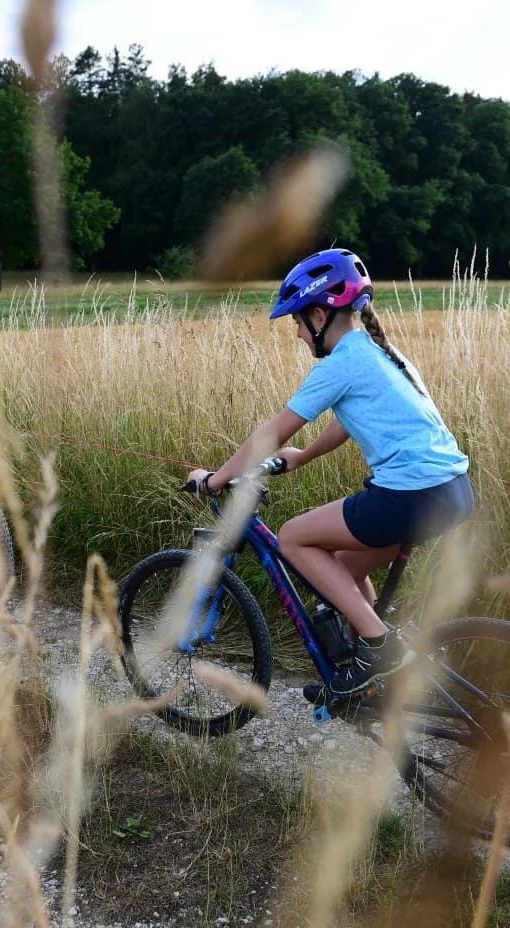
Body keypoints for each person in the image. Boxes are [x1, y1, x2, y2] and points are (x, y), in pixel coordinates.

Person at [187, 248, 474, 701]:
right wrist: (303, 457)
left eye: (298, 323)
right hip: (451, 491)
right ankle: (375, 666)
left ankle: (377, 647)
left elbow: (272, 432)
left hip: (410, 494)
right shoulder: (380, 351)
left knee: (294, 538)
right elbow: (347, 420)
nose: (298, 334)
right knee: (341, 567)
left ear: (320, 315)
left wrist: (215, 479)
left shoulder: (341, 362)